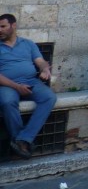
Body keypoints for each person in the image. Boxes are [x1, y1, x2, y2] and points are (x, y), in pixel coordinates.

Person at [0, 13, 56, 160]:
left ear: (13, 26)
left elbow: (40, 61)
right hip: (7, 84)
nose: (0, 30)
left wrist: (45, 69)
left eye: (3, 26)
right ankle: (20, 142)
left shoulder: (28, 43)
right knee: (7, 101)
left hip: (31, 81)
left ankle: (23, 139)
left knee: (49, 97)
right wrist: (17, 87)